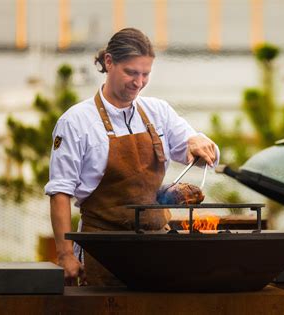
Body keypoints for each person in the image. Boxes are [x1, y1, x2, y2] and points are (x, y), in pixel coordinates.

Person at [45, 28, 219, 286]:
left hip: (157, 248)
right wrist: (65, 254)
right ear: (109, 62)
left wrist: (200, 141)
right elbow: (60, 192)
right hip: (104, 250)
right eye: (131, 73)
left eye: (145, 74)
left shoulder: (158, 111)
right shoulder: (76, 121)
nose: (138, 82)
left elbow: (201, 151)